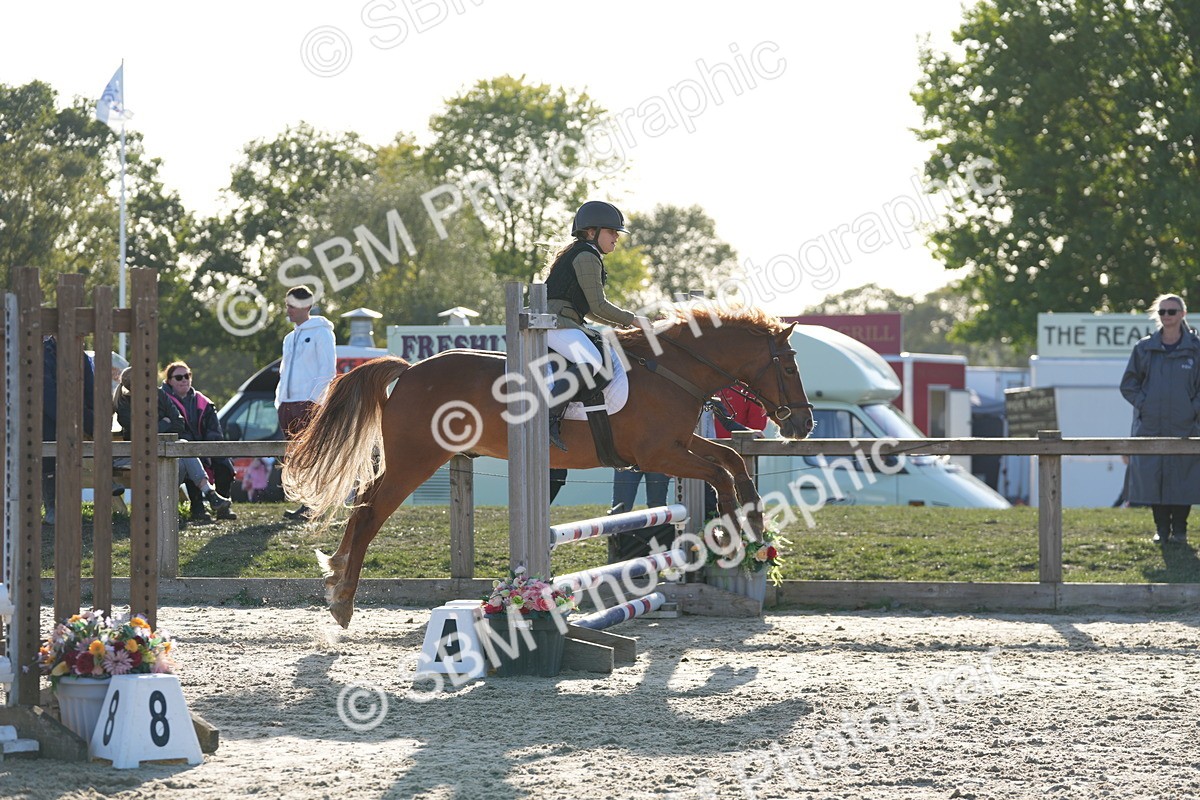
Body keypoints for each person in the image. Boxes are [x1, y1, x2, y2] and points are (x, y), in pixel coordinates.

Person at [544, 200, 650, 451]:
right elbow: (600, 306)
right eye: (611, 232)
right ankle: (547, 416)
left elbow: (591, 310)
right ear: (592, 232)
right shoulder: (587, 255)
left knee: (597, 352)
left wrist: (626, 324)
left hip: (563, 322)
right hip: (554, 323)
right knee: (592, 361)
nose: (616, 237)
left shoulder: (584, 252)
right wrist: (634, 320)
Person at [1119, 293, 1200, 545]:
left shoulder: (1196, 349)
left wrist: (1192, 409)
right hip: (1151, 426)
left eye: (1172, 311)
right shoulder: (1144, 348)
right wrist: (1145, 404)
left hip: (1186, 426)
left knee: (1183, 477)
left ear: (1183, 314)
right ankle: (1161, 530)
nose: (1167, 316)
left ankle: (1181, 531)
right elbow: (1128, 384)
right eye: (1162, 312)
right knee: (1154, 477)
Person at [114, 367, 232, 523]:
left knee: (185, 449)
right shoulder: (124, 404)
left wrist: (158, 425)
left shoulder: (159, 395)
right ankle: (208, 495)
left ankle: (209, 496)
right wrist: (164, 423)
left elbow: (179, 422)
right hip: (141, 456)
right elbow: (141, 433)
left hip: (165, 452)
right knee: (184, 452)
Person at [275, 285, 337, 521]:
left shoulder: (322, 332)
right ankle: (303, 502)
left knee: (310, 454)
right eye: (287, 305)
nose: (288, 310)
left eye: (291, 305)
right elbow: (284, 372)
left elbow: (327, 370)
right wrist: (280, 401)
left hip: (308, 403)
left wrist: (315, 400)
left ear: (305, 306)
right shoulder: (289, 338)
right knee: (293, 456)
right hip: (287, 403)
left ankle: (314, 504)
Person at [162, 361, 237, 523]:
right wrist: (198, 451)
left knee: (224, 462)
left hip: (204, 447)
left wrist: (208, 450)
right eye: (179, 377)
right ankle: (198, 508)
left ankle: (223, 506)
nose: (184, 380)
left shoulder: (204, 402)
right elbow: (176, 430)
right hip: (181, 449)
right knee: (190, 457)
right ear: (169, 381)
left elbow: (214, 431)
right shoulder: (162, 401)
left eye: (187, 376)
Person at [42, 335, 96, 525]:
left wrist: (91, 418)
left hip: (75, 413)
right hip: (49, 417)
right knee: (49, 451)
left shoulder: (80, 356)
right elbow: (47, 393)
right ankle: (52, 507)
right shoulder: (43, 353)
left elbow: (90, 391)